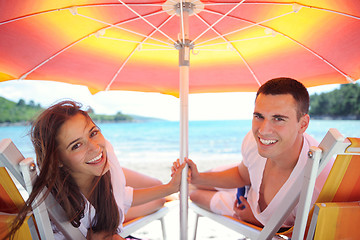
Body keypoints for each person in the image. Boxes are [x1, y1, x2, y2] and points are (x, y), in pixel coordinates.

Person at [6, 100, 185, 240]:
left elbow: (120, 196)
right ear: (57, 160)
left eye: (93, 133)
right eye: (76, 145)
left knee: (159, 198)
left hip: (98, 179)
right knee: (157, 199)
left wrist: (170, 187)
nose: (94, 147)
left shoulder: (105, 157)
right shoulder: (59, 215)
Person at [174, 77, 333, 228]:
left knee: (193, 194)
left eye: (278, 119)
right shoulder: (253, 140)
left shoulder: (317, 182)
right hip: (246, 193)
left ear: (303, 124)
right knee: (190, 183)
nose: (263, 130)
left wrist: (256, 220)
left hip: (247, 211)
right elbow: (242, 175)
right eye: (259, 116)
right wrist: (198, 177)